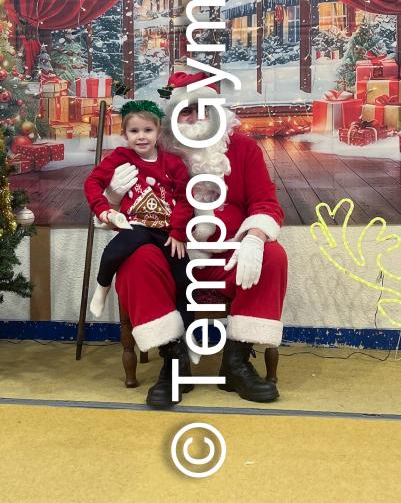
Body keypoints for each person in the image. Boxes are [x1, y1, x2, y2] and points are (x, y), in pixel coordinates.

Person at [109, 72, 288, 408]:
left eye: (204, 110)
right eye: (186, 111)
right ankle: (174, 360)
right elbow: (124, 210)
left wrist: (254, 237)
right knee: (135, 259)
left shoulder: (244, 150)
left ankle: (236, 362)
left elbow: (266, 203)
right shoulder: (151, 154)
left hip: (226, 257)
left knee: (273, 255)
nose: (195, 118)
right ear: (172, 119)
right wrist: (114, 197)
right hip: (169, 258)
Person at [84, 100, 194, 347]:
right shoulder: (120, 157)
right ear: (125, 134)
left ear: (158, 132)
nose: (141, 136)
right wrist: (104, 211)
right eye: (134, 131)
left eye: (147, 130)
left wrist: (178, 232)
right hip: (136, 226)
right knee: (122, 245)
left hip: (166, 231)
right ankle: (102, 286)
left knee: (185, 279)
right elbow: (92, 183)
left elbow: (184, 198)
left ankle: (186, 339)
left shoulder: (172, 163)